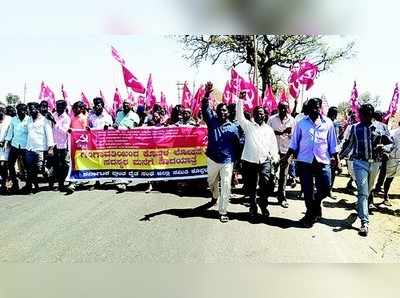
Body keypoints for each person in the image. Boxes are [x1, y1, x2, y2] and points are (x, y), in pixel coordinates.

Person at [281, 97, 339, 228]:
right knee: (307, 191)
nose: (315, 110)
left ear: (320, 108)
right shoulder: (301, 123)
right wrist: (286, 157)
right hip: (304, 161)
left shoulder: (328, 123)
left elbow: (333, 144)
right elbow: (294, 142)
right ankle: (310, 214)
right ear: (308, 109)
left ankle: (315, 204)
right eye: (312, 107)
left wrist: (338, 161)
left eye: (317, 107)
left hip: (322, 160)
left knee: (325, 188)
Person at [339, 104, 392, 236]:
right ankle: (364, 222)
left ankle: (360, 207)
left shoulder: (382, 127)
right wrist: (338, 158)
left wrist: (384, 148)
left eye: (364, 116)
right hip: (359, 163)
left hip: (375, 164)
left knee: (368, 191)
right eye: (360, 115)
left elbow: (390, 143)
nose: (361, 118)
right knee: (362, 192)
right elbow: (349, 145)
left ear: (371, 115)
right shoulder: (355, 128)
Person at [236, 91, 279, 220]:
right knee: (252, 185)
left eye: (262, 113)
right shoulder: (248, 126)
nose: (260, 115)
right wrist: (240, 100)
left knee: (266, 183)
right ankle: (253, 206)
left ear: (265, 115)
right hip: (250, 161)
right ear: (253, 115)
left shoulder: (269, 129)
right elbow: (239, 116)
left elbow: (273, 145)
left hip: (265, 161)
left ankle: (263, 204)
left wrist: (275, 158)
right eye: (257, 113)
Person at [202, 82, 240, 223]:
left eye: (225, 110)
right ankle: (214, 195)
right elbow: (205, 108)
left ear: (228, 112)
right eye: (220, 110)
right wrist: (207, 94)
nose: (223, 112)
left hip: (227, 161)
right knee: (211, 182)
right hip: (212, 158)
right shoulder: (212, 121)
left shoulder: (234, 127)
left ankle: (223, 211)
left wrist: (235, 166)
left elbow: (237, 146)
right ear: (216, 112)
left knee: (226, 184)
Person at [267, 101, 295, 208]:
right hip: (273, 150)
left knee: (284, 175)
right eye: (281, 108)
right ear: (278, 108)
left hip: (286, 151)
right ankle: (267, 193)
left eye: (285, 108)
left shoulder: (292, 120)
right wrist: (278, 132)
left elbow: (294, 137)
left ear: (288, 109)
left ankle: (282, 197)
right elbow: (267, 133)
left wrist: (289, 132)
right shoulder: (272, 119)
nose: (283, 110)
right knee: (271, 173)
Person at [23, 102, 55, 193]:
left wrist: (50, 148)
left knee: (39, 168)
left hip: (40, 148)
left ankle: (49, 174)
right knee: (30, 169)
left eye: (32, 109)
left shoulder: (45, 120)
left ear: (37, 109)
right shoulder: (28, 120)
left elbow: (49, 134)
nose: (30, 111)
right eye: (29, 109)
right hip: (29, 148)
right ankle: (35, 186)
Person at [113, 100, 140, 192]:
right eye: (124, 104)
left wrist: (125, 128)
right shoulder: (119, 114)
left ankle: (125, 179)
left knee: (128, 160)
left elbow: (133, 127)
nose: (125, 105)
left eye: (127, 104)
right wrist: (114, 126)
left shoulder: (135, 116)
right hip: (119, 140)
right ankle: (122, 181)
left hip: (129, 141)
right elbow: (116, 124)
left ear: (131, 106)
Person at [4, 103, 29, 192]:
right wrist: (7, 141)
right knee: (10, 165)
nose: (20, 112)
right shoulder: (14, 119)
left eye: (22, 110)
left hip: (25, 146)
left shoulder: (29, 120)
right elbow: (11, 131)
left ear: (25, 111)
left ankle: (29, 185)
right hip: (14, 146)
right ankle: (15, 184)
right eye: (18, 110)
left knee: (27, 167)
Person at [66, 101, 89, 194]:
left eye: (77, 108)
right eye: (74, 108)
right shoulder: (72, 117)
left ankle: (76, 180)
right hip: (73, 143)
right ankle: (74, 180)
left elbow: (84, 132)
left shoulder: (83, 118)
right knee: (73, 162)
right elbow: (70, 128)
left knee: (80, 162)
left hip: (81, 144)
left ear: (82, 109)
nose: (75, 110)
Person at [51, 100, 71, 192]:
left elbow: (64, 131)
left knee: (63, 165)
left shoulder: (67, 118)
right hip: (53, 144)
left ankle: (62, 183)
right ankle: (56, 182)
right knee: (55, 164)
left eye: (60, 106)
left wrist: (55, 123)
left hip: (63, 144)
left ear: (64, 107)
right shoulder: (53, 115)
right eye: (57, 106)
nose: (58, 108)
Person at [381, 122, 400, 206]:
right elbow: (387, 145)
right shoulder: (393, 133)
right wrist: (386, 152)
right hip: (392, 158)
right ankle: (385, 196)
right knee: (389, 178)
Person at [0, 104, 12, 193]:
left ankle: (4, 183)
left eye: (2, 109)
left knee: (3, 165)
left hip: (5, 146)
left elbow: (11, 132)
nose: (1, 111)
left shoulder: (9, 119)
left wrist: (6, 141)